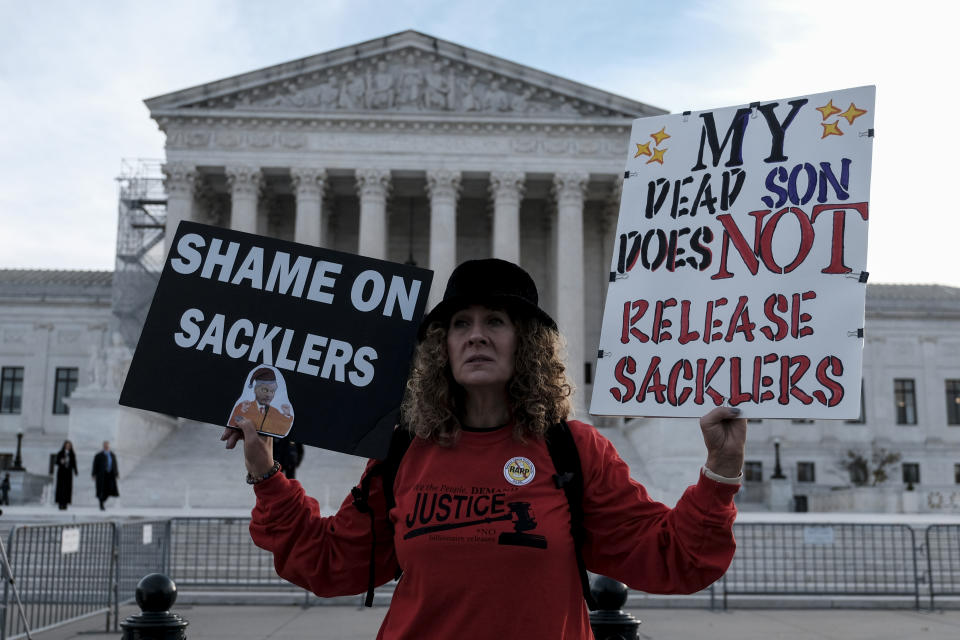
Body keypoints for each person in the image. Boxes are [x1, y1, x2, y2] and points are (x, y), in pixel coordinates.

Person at [222, 258, 746, 639]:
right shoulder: (404, 452)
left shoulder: (574, 450)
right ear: (442, 348)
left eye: (495, 321)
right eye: (460, 324)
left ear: (526, 344)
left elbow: (673, 559)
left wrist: (721, 470)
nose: (476, 336)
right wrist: (265, 471)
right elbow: (331, 563)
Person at [228, 367, 294, 437]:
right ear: (255, 389)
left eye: (272, 391)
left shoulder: (275, 412)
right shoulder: (243, 407)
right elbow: (232, 424)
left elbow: (283, 430)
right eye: (265, 390)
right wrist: (242, 412)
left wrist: (287, 414)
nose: (269, 395)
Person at [91, 441, 119, 510]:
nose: (106, 446)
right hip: (101, 475)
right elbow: (95, 465)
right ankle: (101, 503)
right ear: (103, 446)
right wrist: (94, 474)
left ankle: (102, 501)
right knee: (101, 490)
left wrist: (117, 474)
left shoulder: (112, 455)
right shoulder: (98, 455)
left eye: (107, 445)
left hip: (110, 475)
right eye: (105, 445)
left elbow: (115, 465)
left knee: (110, 489)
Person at [54, 440, 78, 510]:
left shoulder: (72, 454)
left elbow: (74, 463)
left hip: (68, 473)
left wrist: (76, 471)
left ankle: (65, 503)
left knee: (67, 488)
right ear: (64, 446)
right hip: (61, 473)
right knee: (61, 488)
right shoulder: (60, 453)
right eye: (67, 445)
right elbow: (56, 462)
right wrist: (61, 462)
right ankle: (60, 503)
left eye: (69, 445)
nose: (68, 447)